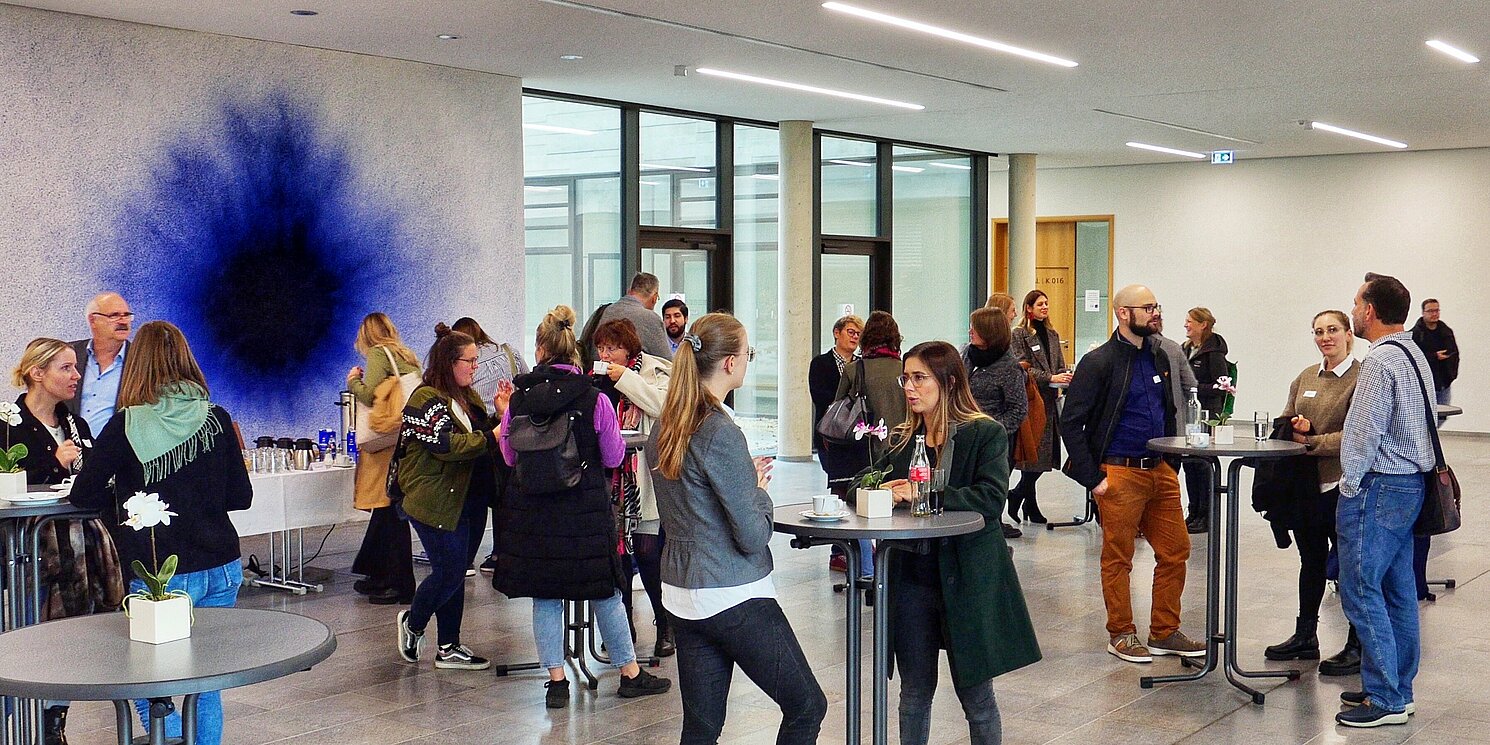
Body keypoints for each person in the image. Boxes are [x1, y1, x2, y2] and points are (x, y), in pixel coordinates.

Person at [70, 321, 252, 745]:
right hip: (222, 565)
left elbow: (84, 495)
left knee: (151, 683)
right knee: (206, 682)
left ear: (137, 366)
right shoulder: (218, 419)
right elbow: (240, 496)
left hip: (159, 575)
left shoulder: (125, 426)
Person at [648, 312, 826, 744]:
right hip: (731, 593)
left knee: (702, 727)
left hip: (681, 593)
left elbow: (691, 499)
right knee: (807, 706)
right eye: (747, 352)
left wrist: (740, 481)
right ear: (729, 362)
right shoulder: (719, 430)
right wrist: (758, 490)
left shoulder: (665, 423)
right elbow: (751, 534)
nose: (749, 360)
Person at [493, 306, 671, 708]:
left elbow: (508, 456)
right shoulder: (592, 398)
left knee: (546, 596)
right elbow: (611, 456)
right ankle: (629, 672)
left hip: (534, 513)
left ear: (539, 350)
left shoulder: (520, 399)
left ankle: (556, 682)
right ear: (575, 351)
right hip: (585, 513)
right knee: (605, 590)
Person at [877, 341, 1041, 744]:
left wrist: (920, 494)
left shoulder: (985, 433)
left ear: (948, 383)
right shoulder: (903, 438)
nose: (909, 388)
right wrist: (879, 488)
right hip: (913, 578)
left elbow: (988, 499)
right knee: (913, 693)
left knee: (977, 697)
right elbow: (860, 484)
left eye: (919, 378)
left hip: (967, 577)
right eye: (906, 378)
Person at [1059, 285, 1206, 663]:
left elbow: (1169, 407)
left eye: (1156, 305)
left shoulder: (1159, 356)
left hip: (1160, 469)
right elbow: (1071, 422)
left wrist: (1172, 462)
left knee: (1176, 551)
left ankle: (1165, 631)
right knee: (1118, 557)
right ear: (1123, 314)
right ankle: (1121, 633)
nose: (1155, 313)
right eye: (1147, 307)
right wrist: (1094, 478)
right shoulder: (1099, 362)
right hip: (1119, 473)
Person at [6, 338, 125, 745]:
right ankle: (23, 713)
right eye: (66, 368)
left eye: (76, 367)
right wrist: (51, 463)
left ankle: (54, 721)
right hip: (29, 550)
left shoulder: (78, 424)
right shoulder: (7, 425)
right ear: (37, 373)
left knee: (71, 633)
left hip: (81, 546)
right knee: (32, 631)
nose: (77, 376)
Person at [1334, 272, 1436, 728]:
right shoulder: (1414, 353)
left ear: (1370, 311)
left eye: (1356, 302)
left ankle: (1385, 699)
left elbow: (1363, 430)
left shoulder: (1377, 362)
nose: (1353, 309)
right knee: (1397, 591)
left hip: (1378, 487)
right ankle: (1398, 687)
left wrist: (1349, 483)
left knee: (1359, 588)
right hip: (1411, 486)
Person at [392, 324, 505, 671]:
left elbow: (483, 433)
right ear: (448, 362)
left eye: (476, 361)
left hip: (467, 498)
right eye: (469, 361)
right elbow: (445, 446)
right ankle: (413, 622)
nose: (474, 368)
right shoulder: (424, 399)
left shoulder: (466, 397)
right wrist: (493, 436)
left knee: (455, 572)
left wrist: (500, 415)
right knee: (450, 571)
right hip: (434, 499)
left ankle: (449, 645)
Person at [1260, 311, 1361, 671]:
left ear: (1348, 334)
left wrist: (1312, 439)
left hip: (1343, 485)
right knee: (1311, 561)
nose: (1325, 337)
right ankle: (1306, 636)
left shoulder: (1361, 378)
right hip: (1305, 486)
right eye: (1318, 332)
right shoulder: (1305, 376)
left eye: (1332, 330)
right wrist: (1294, 426)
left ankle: (1357, 642)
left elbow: (1355, 436)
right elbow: (1285, 418)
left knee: (1349, 567)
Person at [592, 318, 674, 657]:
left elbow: (663, 406)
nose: (606, 354)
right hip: (611, 478)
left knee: (649, 552)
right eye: (601, 348)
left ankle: (665, 621)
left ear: (630, 349)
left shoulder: (656, 370)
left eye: (613, 348)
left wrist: (623, 378)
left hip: (646, 478)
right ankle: (621, 626)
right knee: (617, 556)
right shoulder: (595, 377)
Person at [345, 312, 422, 605]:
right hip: (405, 439)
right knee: (389, 510)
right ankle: (379, 574)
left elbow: (371, 397)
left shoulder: (379, 354)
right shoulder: (408, 356)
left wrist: (354, 381)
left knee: (387, 509)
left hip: (385, 443)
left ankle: (395, 582)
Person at [450, 316, 529, 576]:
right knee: (502, 493)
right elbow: (527, 381)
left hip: (481, 430)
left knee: (477, 496)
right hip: (509, 425)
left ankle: (465, 558)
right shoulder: (509, 352)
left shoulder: (460, 366)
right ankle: (500, 553)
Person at [808, 314, 872, 576]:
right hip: (830, 436)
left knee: (855, 488)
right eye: (850, 331)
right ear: (836, 333)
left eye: (858, 333)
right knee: (839, 488)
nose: (854, 337)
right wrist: (847, 399)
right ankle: (839, 550)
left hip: (856, 438)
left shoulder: (862, 365)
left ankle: (856, 546)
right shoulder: (821, 363)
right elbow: (820, 396)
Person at [962, 307, 1028, 539]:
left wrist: (995, 431)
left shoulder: (1009, 367)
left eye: (975, 327)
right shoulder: (966, 355)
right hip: (963, 433)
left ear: (989, 332)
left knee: (989, 488)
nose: (970, 331)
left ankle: (991, 530)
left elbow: (1018, 409)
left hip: (994, 440)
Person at [1009, 290, 1070, 524]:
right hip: (1033, 399)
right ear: (1029, 308)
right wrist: (1050, 377)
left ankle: (1028, 503)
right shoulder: (1020, 335)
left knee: (1042, 457)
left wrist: (1064, 376)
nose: (1045, 307)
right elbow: (1021, 366)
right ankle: (1017, 496)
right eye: (1040, 304)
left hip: (1050, 401)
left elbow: (1060, 365)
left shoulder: (1053, 335)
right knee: (1034, 457)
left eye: (1047, 303)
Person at [1180, 307, 1231, 534]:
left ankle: (1206, 514)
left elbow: (1221, 386)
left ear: (1203, 325)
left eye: (1190, 321)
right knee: (1190, 464)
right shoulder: (1185, 349)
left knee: (1202, 465)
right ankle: (1193, 511)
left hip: (1207, 416)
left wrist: (1192, 388)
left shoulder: (1214, 353)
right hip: (1190, 416)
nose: (1186, 325)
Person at [67, 291, 133, 437]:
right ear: (93, 320)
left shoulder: (141, 360)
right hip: (70, 450)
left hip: (117, 452)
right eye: (114, 315)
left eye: (127, 315)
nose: (123, 321)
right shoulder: (68, 354)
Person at [836, 310, 906, 441]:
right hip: (901, 440)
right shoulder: (905, 370)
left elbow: (838, 409)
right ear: (895, 337)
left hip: (862, 444)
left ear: (865, 337)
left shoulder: (853, 369)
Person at [595, 272, 674, 361]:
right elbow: (667, 362)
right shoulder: (650, 318)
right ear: (654, 298)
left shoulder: (603, 311)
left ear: (629, 291)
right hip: (632, 373)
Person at [1410, 298, 1458, 425]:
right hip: (1424, 384)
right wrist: (1434, 356)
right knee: (1422, 418)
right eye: (1430, 311)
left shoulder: (1446, 331)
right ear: (1423, 312)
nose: (1434, 314)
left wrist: (1451, 375)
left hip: (1443, 383)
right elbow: (1413, 358)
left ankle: (1431, 442)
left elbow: (1454, 353)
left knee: (1441, 416)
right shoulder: (1415, 334)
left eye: (1437, 310)